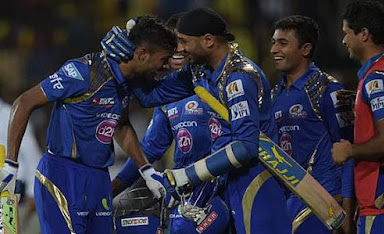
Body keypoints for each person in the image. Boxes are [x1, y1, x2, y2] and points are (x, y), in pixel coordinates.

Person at [102, 7, 291, 234]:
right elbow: (149, 96)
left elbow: (246, 147)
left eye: (183, 41)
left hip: (254, 182)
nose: (178, 49)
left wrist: (185, 175)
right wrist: (127, 53)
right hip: (218, 184)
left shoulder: (238, 78)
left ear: (208, 41)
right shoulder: (199, 73)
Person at [1, 16, 177, 234]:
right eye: (163, 59)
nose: (164, 67)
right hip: (63, 175)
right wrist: (11, 164)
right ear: (142, 54)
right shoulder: (84, 71)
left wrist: (146, 169)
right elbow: (25, 101)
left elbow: (120, 126)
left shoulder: (126, 82)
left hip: (99, 178)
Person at [112, 13, 229, 233]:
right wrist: (116, 186)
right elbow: (150, 147)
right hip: (186, 192)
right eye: (172, 45)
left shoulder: (214, 80)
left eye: (182, 43)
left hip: (224, 186)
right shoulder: (170, 93)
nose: (178, 50)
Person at [270, 15, 356, 234]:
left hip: (325, 203)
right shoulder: (273, 97)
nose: (273, 50)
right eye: (273, 42)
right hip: (290, 203)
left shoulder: (329, 90)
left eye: (283, 43)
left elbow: (349, 151)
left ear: (305, 49)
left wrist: (346, 210)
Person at [331, 1, 384, 233]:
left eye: (346, 33)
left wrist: (350, 150)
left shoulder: (377, 80)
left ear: (364, 34)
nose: (344, 41)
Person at [0, 97, 42, 233]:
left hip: (9, 190)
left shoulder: (10, 114)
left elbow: (32, 153)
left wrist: (33, 193)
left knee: (9, 232)